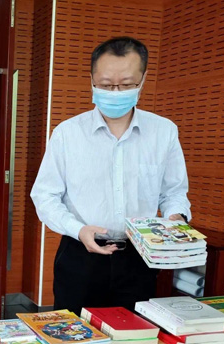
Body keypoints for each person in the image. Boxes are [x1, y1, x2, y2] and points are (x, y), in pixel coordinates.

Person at [31, 37, 191, 315]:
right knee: (75, 334)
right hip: (80, 255)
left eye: (126, 84)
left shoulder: (163, 131)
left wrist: (175, 218)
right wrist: (78, 229)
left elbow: (173, 192)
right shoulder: (67, 133)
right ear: (92, 81)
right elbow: (45, 196)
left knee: (135, 334)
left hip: (139, 257)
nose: (115, 92)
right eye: (106, 85)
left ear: (142, 80)